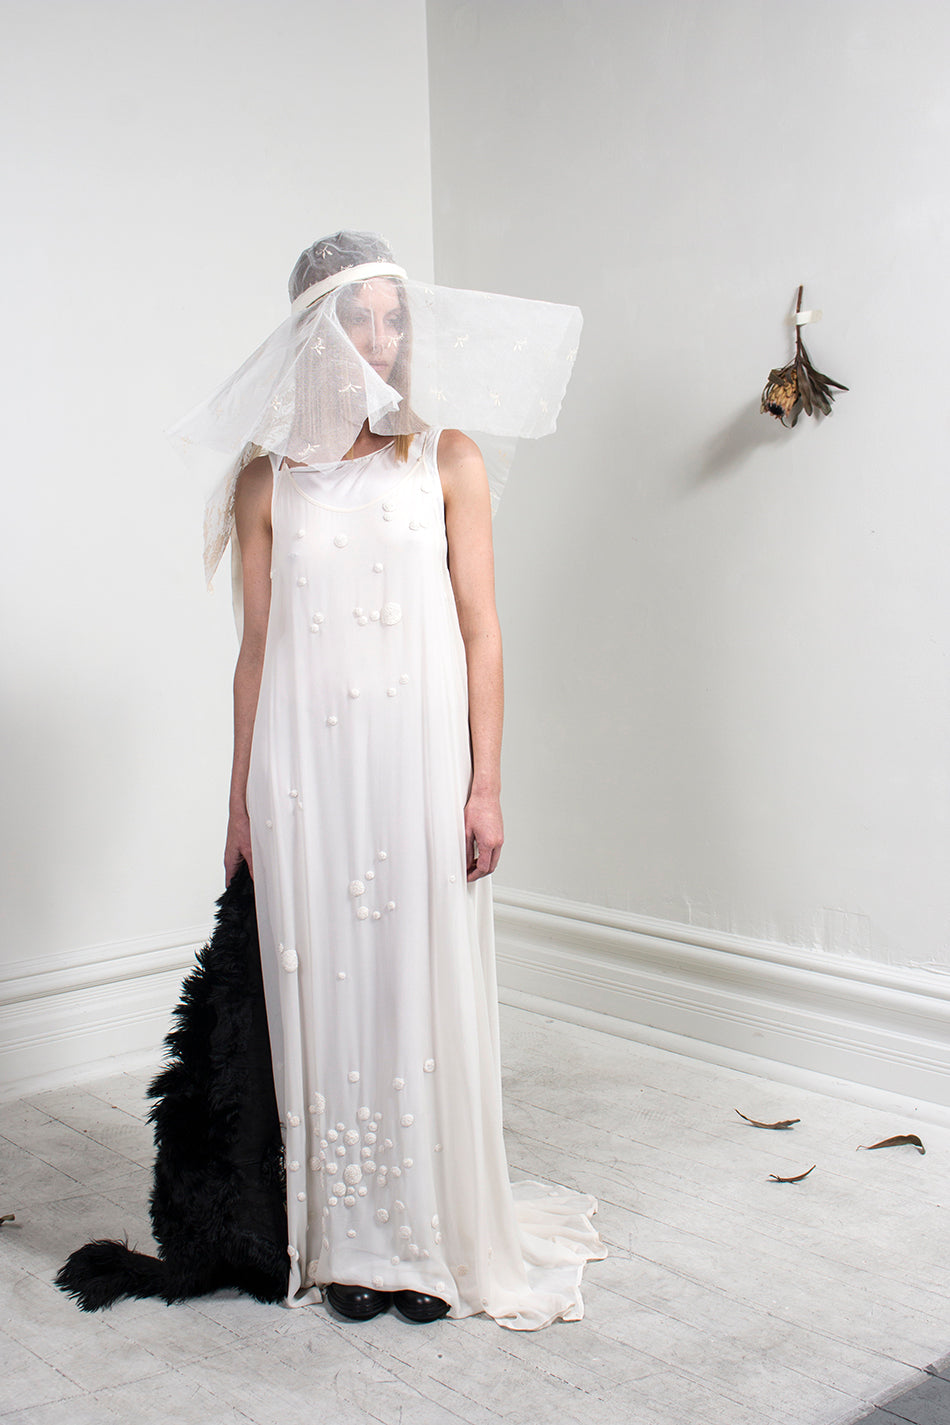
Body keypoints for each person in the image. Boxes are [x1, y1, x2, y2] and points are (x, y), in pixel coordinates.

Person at [173, 232, 606, 1329]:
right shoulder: (268, 480)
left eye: (392, 316)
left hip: (417, 764)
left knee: (413, 983)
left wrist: (485, 784)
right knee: (323, 991)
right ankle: (346, 1242)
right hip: (303, 775)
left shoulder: (445, 458)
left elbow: (482, 630)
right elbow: (255, 650)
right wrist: (238, 802)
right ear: (311, 333)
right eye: (355, 316)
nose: (378, 337)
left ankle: (426, 1237)